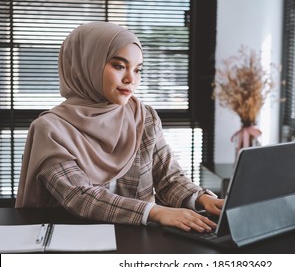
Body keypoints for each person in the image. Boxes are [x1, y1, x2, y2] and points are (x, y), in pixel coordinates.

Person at [15, 21, 224, 233]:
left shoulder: (143, 116)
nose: (130, 79)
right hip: (73, 243)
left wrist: (202, 198)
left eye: (138, 69)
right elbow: (79, 196)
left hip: (139, 241)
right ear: (87, 64)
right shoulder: (49, 129)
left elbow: (168, 178)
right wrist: (154, 212)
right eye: (119, 66)